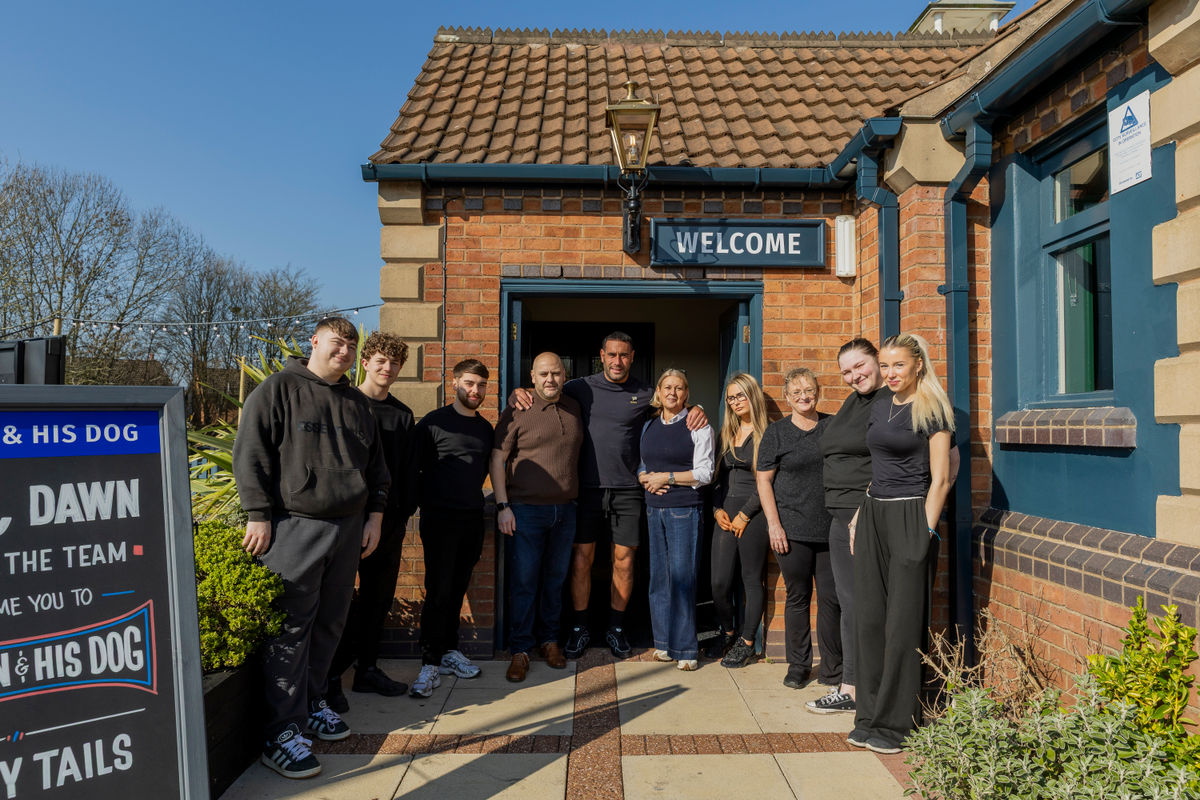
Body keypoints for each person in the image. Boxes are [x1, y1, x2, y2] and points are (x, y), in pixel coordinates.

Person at [233, 316, 389, 779]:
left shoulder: (357, 403)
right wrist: (258, 514)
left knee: (330, 623)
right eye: (336, 343)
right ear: (315, 342)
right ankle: (281, 732)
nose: (343, 352)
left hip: (348, 529)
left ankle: (314, 703)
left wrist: (375, 516)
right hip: (294, 527)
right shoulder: (279, 389)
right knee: (291, 629)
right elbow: (251, 453)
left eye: (350, 346)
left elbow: (377, 467)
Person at [510, 332, 705, 661]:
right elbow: (546, 390)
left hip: (628, 490)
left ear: (632, 356)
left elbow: (674, 404)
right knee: (580, 560)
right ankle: (580, 627)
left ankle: (616, 627)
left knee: (624, 561)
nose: (617, 361)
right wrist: (520, 391)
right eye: (612, 355)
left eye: (624, 355)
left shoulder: (646, 392)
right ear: (602, 355)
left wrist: (697, 407)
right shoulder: (579, 388)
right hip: (585, 490)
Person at [848, 333, 954, 755]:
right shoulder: (878, 406)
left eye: (898, 366)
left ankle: (896, 726)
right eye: (886, 366)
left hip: (912, 515)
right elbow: (878, 467)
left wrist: (924, 534)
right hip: (874, 512)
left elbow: (942, 479)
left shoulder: (934, 411)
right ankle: (869, 716)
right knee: (870, 619)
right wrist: (860, 513)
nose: (890, 374)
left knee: (902, 625)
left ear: (918, 367)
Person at [324, 332, 416, 712]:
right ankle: (328, 678)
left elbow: (409, 474)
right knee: (337, 599)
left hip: (388, 524)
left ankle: (367, 669)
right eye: (380, 361)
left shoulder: (403, 415)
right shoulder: (343, 404)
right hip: (345, 522)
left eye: (394, 363)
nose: (387, 368)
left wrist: (397, 517)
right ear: (364, 362)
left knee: (378, 599)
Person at [490, 352, 585, 683]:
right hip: (526, 511)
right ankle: (520, 650)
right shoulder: (518, 408)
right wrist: (503, 506)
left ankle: (549, 641)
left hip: (566, 510)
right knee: (525, 582)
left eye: (556, 373)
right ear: (532, 376)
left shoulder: (575, 406)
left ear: (564, 375)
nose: (550, 379)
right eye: (544, 373)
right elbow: (497, 458)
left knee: (555, 581)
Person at [808, 338, 888, 715]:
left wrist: (863, 514)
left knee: (861, 606)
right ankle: (851, 686)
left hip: (864, 517)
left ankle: (860, 689)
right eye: (846, 371)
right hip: (840, 516)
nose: (854, 376)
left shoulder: (889, 401)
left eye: (860, 366)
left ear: (877, 360)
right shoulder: (853, 402)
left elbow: (892, 462)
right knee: (847, 604)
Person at [408, 358, 495, 698]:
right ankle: (429, 662)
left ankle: (448, 652)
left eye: (481, 385)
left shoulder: (485, 429)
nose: (475, 390)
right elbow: (413, 470)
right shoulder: (432, 424)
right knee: (439, 589)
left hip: (472, 518)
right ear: (455, 383)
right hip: (439, 519)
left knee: (457, 588)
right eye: (470, 384)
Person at [756, 368, 837, 690]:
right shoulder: (776, 433)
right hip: (792, 530)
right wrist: (774, 525)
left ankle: (834, 668)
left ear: (818, 391)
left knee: (833, 600)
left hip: (832, 529)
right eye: (797, 392)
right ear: (787, 397)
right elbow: (764, 481)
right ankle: (799, 665)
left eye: (809, 390)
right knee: (798, 597)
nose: (804, 396)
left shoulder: (833, 426)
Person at [637, 368, 715, 671]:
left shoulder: (698, 426)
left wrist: (667, 477)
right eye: (667, 387)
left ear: (687, 394)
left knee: (683, 578)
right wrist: (645, 477)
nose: (673, 393)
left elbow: (705, 473)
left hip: (685, 508)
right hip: (653, 508)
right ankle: (664, 644)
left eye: (679, 388)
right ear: (658, 391)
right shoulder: (648, 426)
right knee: (659, 579)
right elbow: (642, 463)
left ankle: (686, 649)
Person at [707, 372, 770, 668]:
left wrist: (745, 514)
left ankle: (746, 643)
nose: (735, 402)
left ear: (752, 396)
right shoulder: (726, 433)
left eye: (740, 396)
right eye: (731, 398)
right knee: (719, 582)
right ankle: (728, 632)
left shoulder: (767, 435)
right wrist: (717, 509)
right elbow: (717, 480)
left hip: (753, 514)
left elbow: (767, 482)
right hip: (726, 513)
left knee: (750, 579)